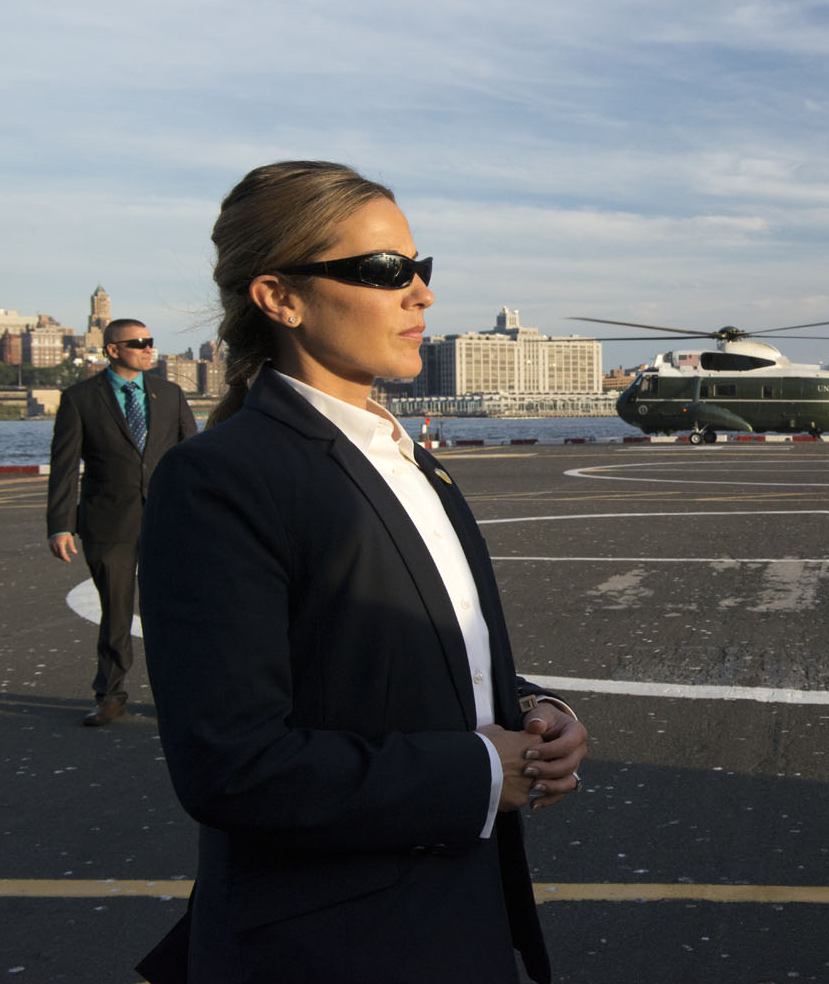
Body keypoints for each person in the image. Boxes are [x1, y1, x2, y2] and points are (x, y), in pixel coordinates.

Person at [135, 161, 588, 984]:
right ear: (280, 297)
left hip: (462, 926)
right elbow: (233, 766)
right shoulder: (220, 478)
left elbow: (414, 666)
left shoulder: (408, 460)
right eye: (385, 271)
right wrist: (485, 771)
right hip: (330, 949)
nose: (420, 294)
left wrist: (535, 716)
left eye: (422, 268)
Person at [46, 317, 197, 726]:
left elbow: (192, 460)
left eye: (151, 341)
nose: (149, 348)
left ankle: (179, 696)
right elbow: (64, 467)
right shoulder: (80, 399)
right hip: (107, 523)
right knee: (115, 612)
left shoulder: (170, 393)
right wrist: (60, 525)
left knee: (169, 612)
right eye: (139, 342)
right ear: (112, 350)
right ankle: (110, 696)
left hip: (167, 521)